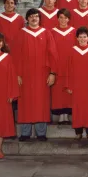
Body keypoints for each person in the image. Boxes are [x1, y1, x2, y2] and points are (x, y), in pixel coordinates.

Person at [12, 8, 58, 142]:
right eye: (31, 16)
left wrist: (52, 73)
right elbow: (16, 55)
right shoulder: (21, 34)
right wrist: (17, 74)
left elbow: (53, 54)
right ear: (27, 19)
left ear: (39, 19)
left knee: (41, 103)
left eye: (36, 16)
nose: (34, 19)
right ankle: (25, 133)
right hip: (25, 75)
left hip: (42, 74)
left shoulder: (46, 33)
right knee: (25, 102)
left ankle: (41, 133)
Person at [65, 27, 88, 139]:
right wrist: (69, 85)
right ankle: (78, 132)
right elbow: (68, 69)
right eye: (80, 37)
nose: (83, 39)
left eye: (85, 37)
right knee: (77, 108)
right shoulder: (72, 50)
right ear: (77, 38)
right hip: (76, 84)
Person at [50, 9, 76, 125]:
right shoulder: (52, 32)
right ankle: (61, 116)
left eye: (65, 18)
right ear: (57, 18)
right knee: (58, 91)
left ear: (68, 19)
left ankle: (67, 115)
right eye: (61, 17)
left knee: (68, 90)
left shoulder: (74, 32)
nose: (63, 20)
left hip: (70, 65)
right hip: (57, 64)